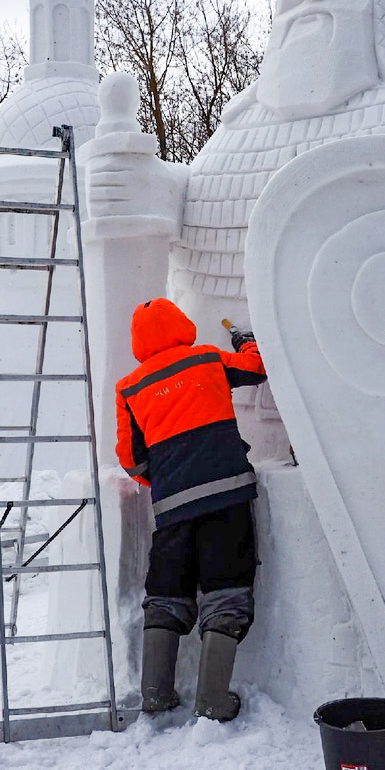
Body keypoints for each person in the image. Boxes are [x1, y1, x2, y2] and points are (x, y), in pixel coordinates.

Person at [115, 297, 266, 721]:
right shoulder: (206, 358)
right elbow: (257, 369)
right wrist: (248, 342)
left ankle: (156, 695)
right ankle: (213, 700)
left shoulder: (130, 387)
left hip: (172, 508)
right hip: (227, 496)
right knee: (226, 590)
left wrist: (167, 477)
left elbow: (131, 460)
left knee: (166, 593)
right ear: (181, 325)